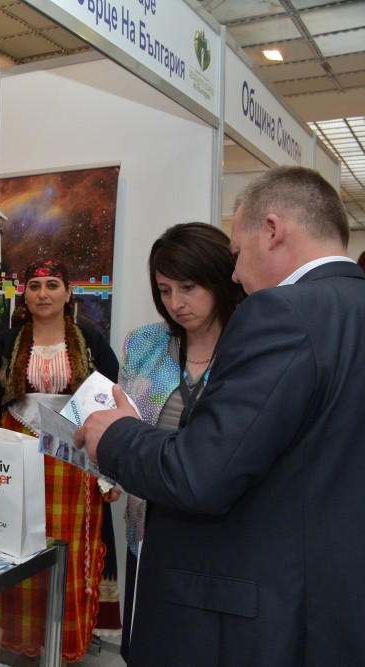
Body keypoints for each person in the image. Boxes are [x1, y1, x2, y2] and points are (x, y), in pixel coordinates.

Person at [77, 166, 365, 666]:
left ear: (271, 231)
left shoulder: (280, 313)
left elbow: (202, 472)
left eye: (237, 253)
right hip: (329, 594)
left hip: (252, 598)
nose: (235, 274)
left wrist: (117, 435)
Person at [0, 259, 120, 663]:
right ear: (25, 295)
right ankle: (20, 643)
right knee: (18, 546)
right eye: (35, 286)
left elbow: (109, 409)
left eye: (53, 285)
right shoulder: (6, 343)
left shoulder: (92, 342)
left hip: (72, 464)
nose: (43, 294)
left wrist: (110, 472)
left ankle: (60, 642)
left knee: (67, 549)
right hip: (16, 457)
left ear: (69, 293)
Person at [115, 222, 244, 662]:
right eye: (165, 290)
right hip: (147, 524)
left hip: (222, 534)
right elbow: (124, 419)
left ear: (220, 277)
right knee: (147, 647)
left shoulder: (251, 345)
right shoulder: (144, 343)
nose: (176, 303)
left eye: (188, 287)